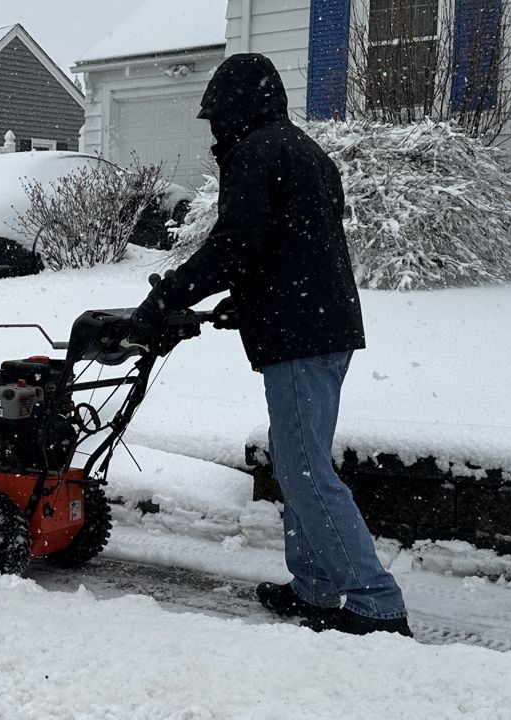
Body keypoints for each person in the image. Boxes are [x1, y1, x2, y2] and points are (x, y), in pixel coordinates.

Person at [132, 54, 411, 637]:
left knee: (305, 468)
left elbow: (235, 244)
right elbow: (296, 242)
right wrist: (251, 299)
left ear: (237, 110)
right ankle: (314, 588)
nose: (213, 132)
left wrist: (167, 296)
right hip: (322, 326)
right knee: (297, 461)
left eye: (216, 118)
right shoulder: (303, 149)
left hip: (300, 337)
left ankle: (374, 602)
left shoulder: (256, 152)